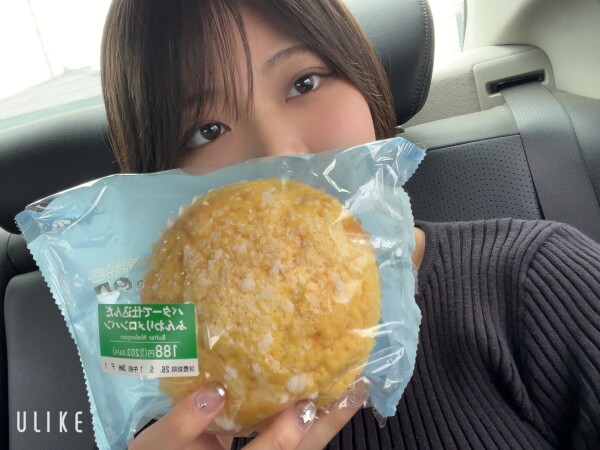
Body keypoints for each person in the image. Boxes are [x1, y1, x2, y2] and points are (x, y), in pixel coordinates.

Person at [101, 1, 600, 449]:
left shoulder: (539, 280)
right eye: (207, 131)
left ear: (361, 78)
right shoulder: (174, 398)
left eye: (304, 83)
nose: (279, 155)